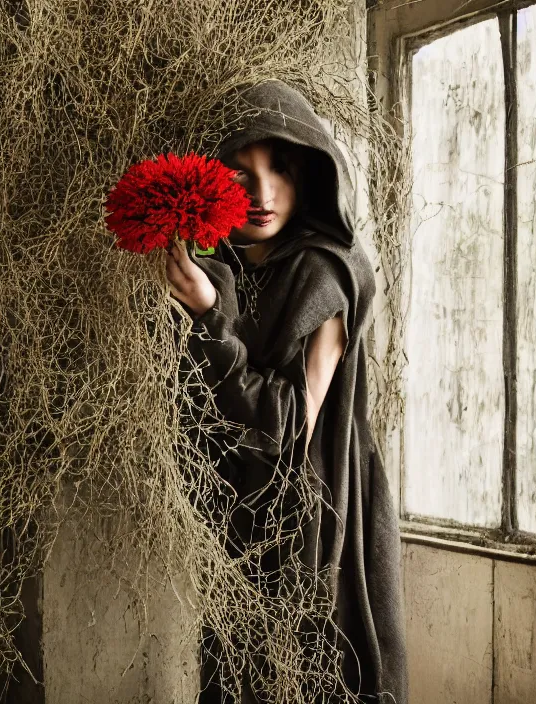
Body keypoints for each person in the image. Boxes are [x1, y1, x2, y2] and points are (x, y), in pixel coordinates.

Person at [165, 80, 407, 704]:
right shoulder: (218, 264)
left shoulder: (325, 272)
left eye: (282, 169)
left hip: (314, 515)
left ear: (311, 175)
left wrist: (211, 318)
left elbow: (286, 423)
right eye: (241, 174)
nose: (264, 194)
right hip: (240, 517)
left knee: (316, 673)